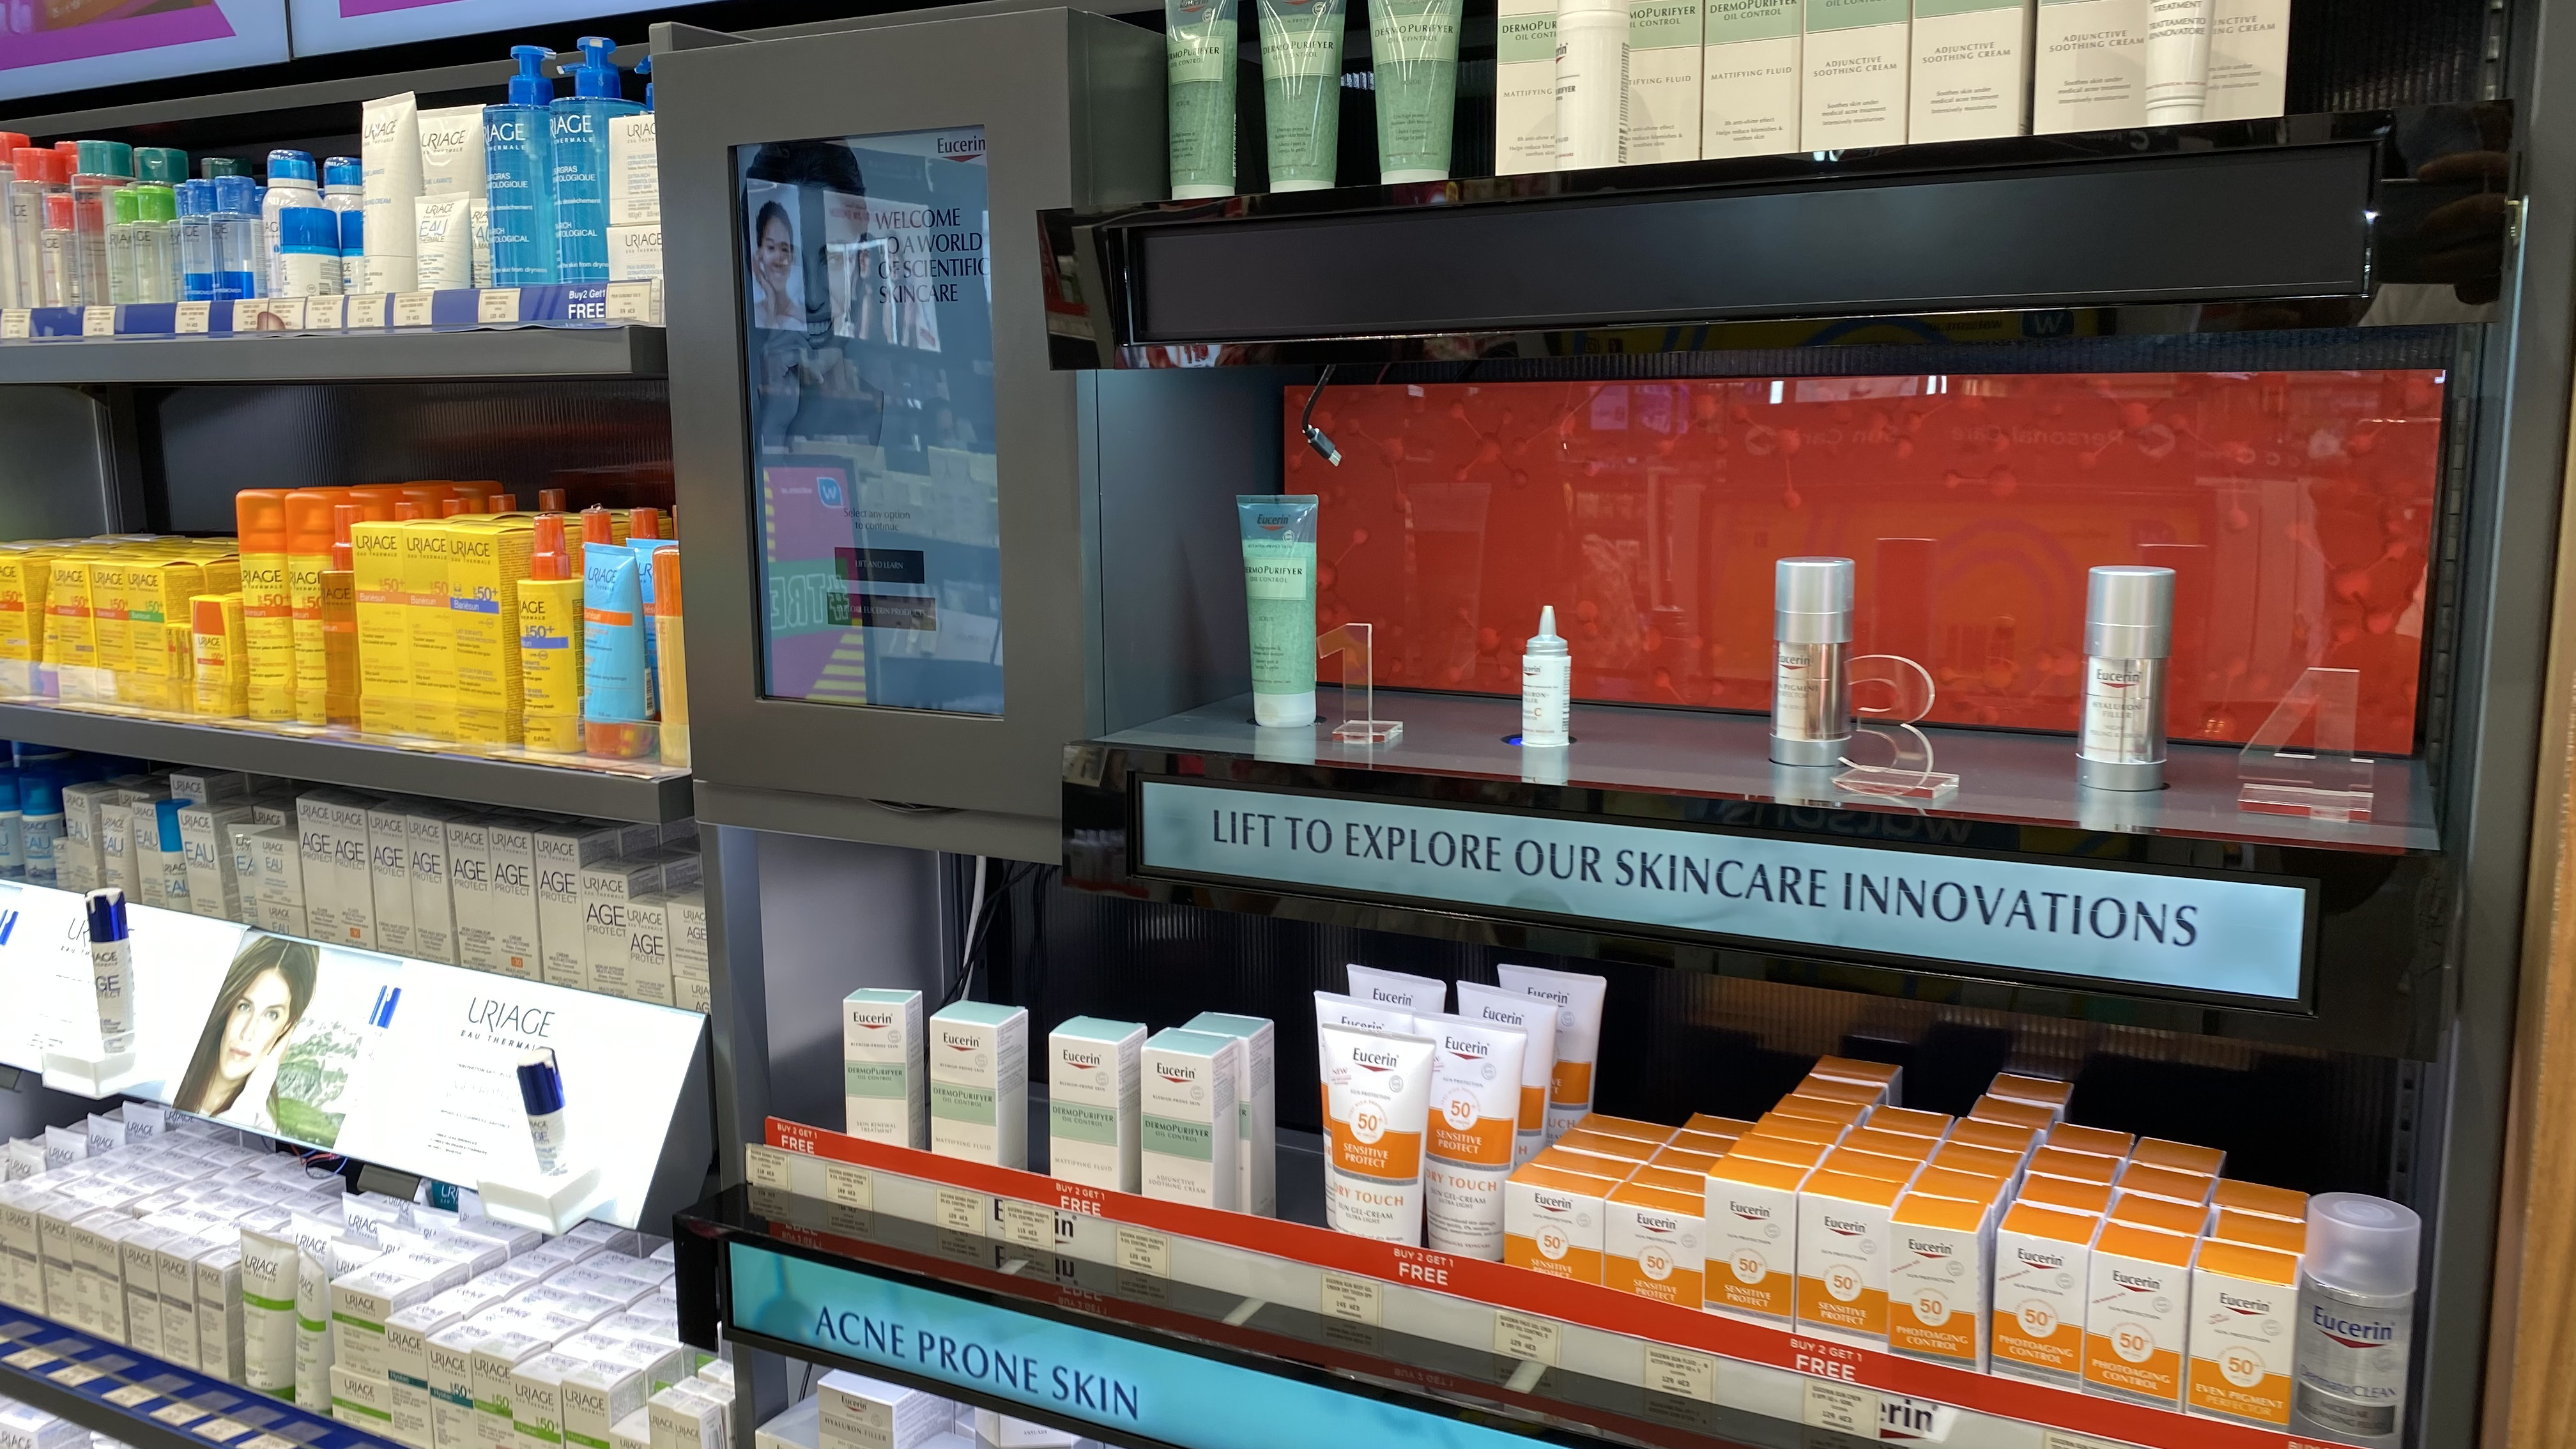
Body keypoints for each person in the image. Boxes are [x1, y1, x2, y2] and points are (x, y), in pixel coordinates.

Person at [171, 935, 318, 1124]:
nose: (247, 1033)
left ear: (286, 1029)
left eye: (272, 1015)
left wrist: (261, 1082)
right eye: (244, 1006)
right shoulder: (168, 1077)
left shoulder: (261, 1126)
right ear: (227, 1005)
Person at [751, 199, 801, 331]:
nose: (779, 257)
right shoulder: (752, 315)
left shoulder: (804, 317)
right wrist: (770, 297)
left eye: (784, 249)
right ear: (759, 255)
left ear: (792, 257)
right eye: (771, 247)